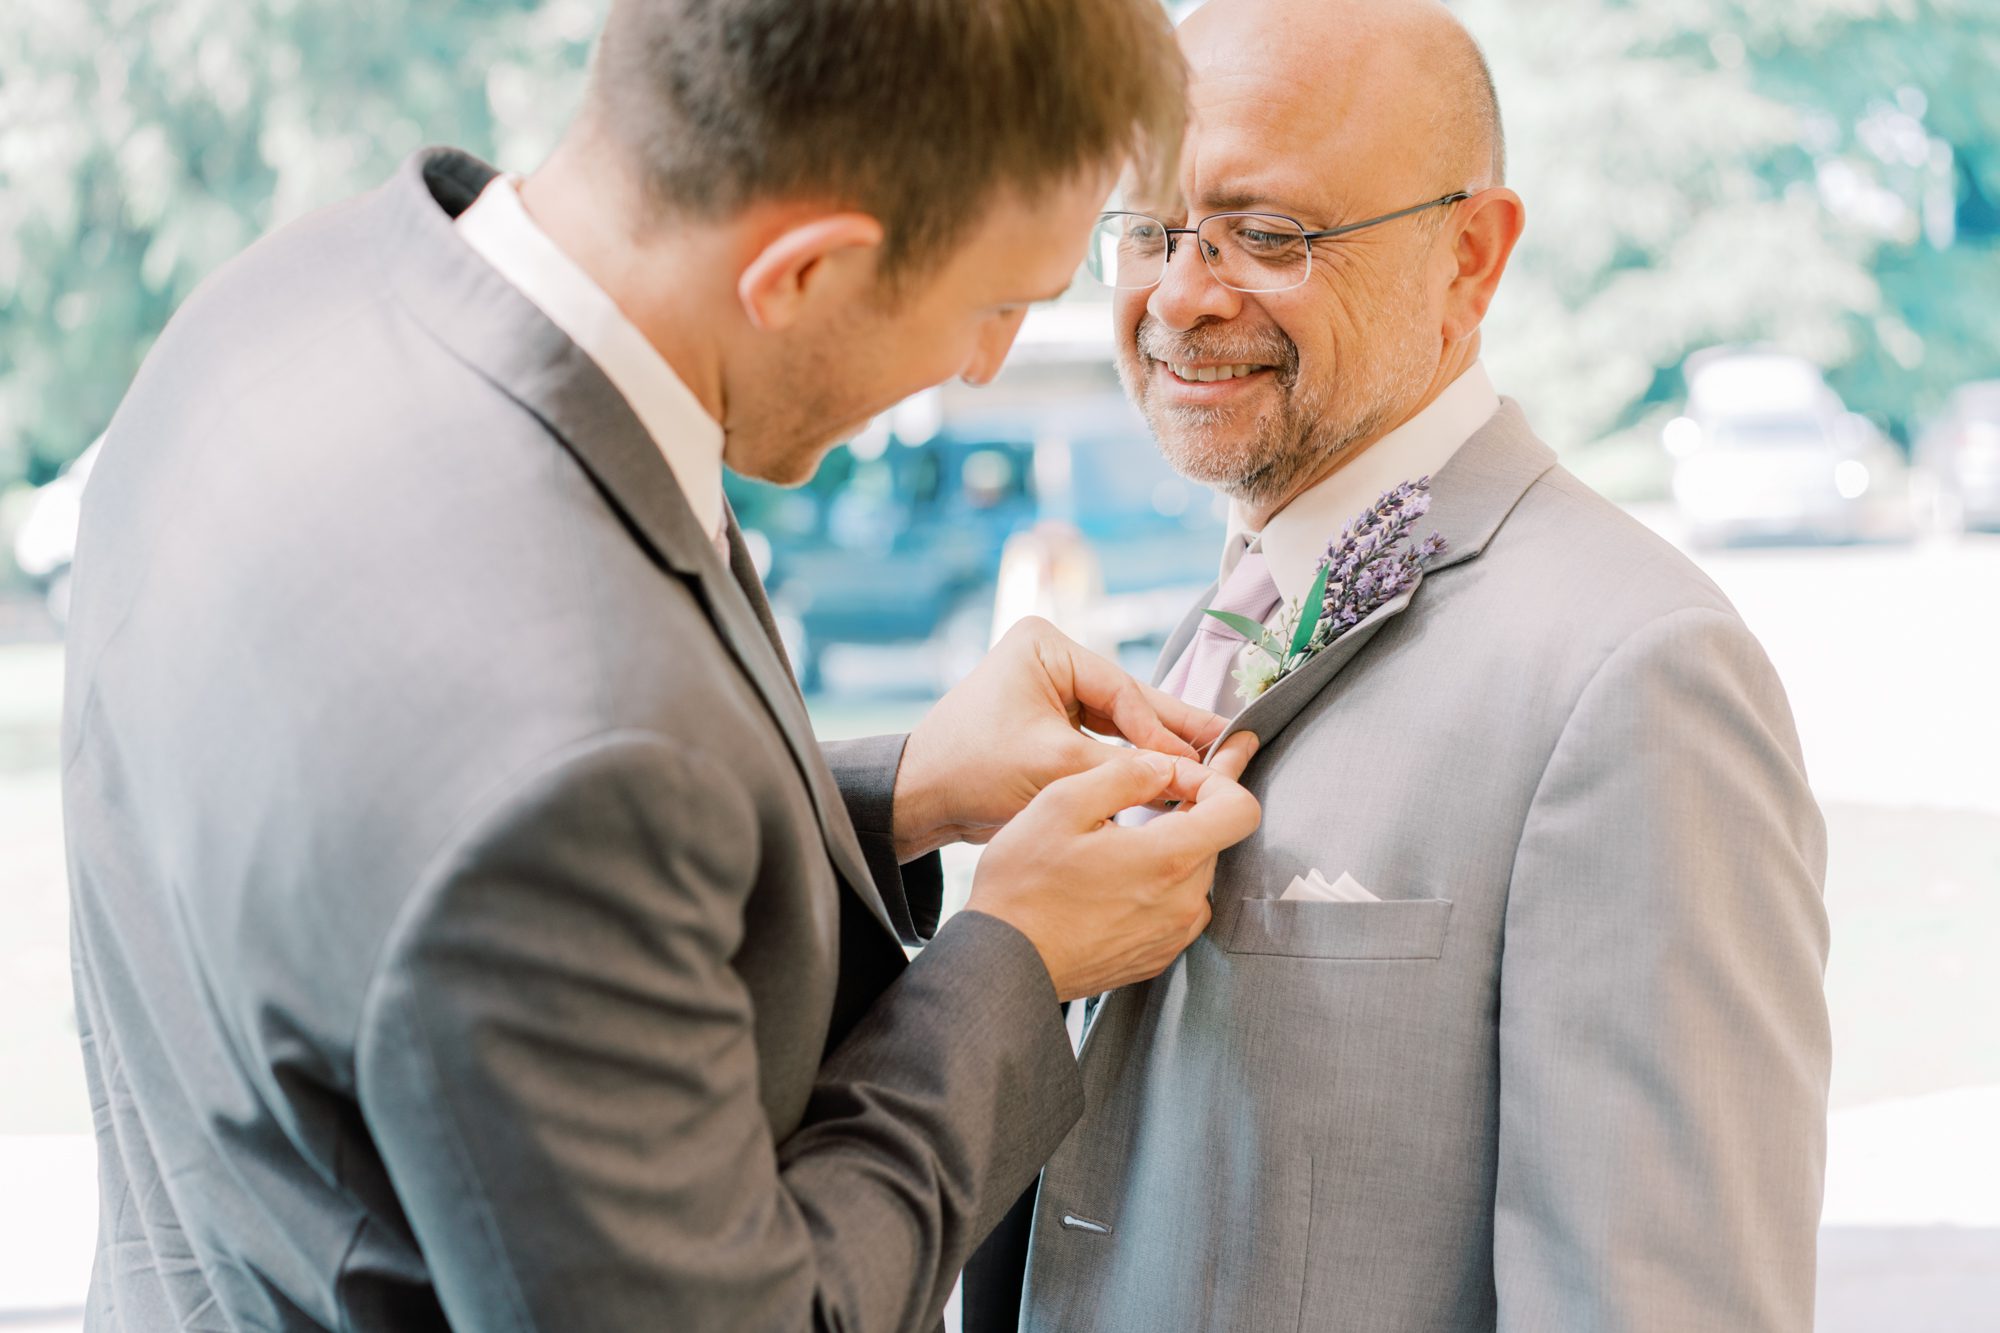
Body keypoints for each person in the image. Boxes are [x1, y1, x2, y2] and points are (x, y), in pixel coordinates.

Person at [60, 2, 1265, 1329]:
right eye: (997, 306)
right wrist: (1014, 958)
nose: (981, 370)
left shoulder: (278, 303)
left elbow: (441, 869)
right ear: (802, 273)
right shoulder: (561, 758)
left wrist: (900, 790)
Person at [970, 0, 1833, 1328]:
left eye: (1269, 234)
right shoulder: (1215, 612)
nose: (1182, 295)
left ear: (1470, 259)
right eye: (1147, 230)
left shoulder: (1639, 676)